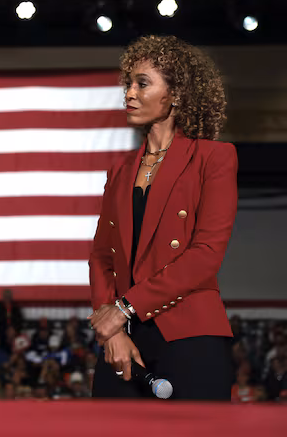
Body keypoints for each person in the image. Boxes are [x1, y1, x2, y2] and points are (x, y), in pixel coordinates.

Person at [88, 35, 236, 400]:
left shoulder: (214, 158)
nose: (129, 94)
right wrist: (113, 331)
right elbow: (101, 258)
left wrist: (123, 308)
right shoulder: (120, 170)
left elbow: (205, 254)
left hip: (190, 336)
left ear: (178, 93)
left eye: (142, 83)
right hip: (124, 341)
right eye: (128, 84)